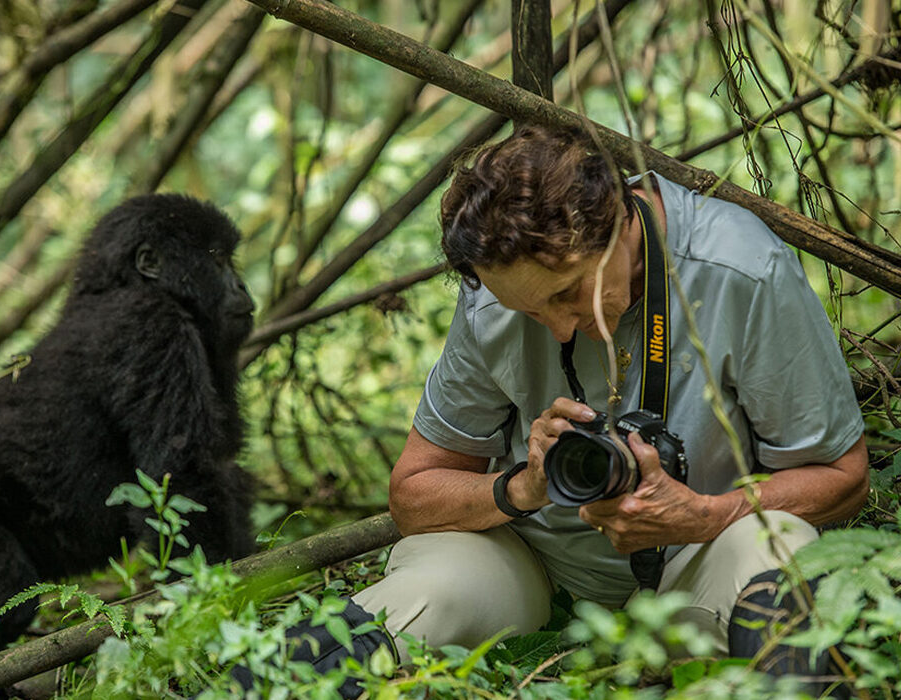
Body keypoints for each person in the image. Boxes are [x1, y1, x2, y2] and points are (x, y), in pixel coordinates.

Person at [244, 125, 867, 697]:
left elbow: (844, 478)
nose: (563, 326)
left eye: (570, 292)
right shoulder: (497, 295)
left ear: (621, 222)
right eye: (531, 311)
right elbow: (415, 492)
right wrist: (525, 485)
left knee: (773, 548)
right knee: (425, 595)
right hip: (537, 567)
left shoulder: (740, 269)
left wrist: (703, 516)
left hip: (699, 554)